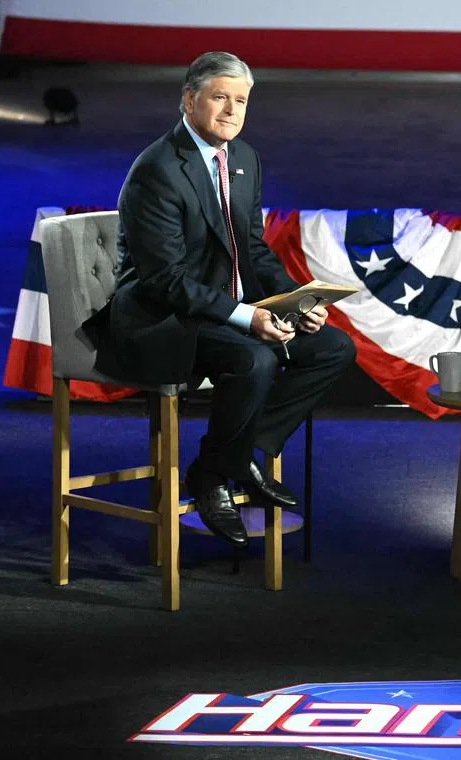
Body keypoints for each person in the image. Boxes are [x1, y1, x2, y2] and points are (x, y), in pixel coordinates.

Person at [86, 52, 356, 548]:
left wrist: (293, 303)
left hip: (222, 312)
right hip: (163, 317)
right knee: (254, 358)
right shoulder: (158, 170)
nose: (232, 110)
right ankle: (216, 474)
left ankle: (229, 458)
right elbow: (164, 280)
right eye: (219, 98)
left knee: (333, 348)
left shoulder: (244, 158)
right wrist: (247, 317)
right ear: (189, 100)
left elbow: (252, 247)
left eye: (241, 101)